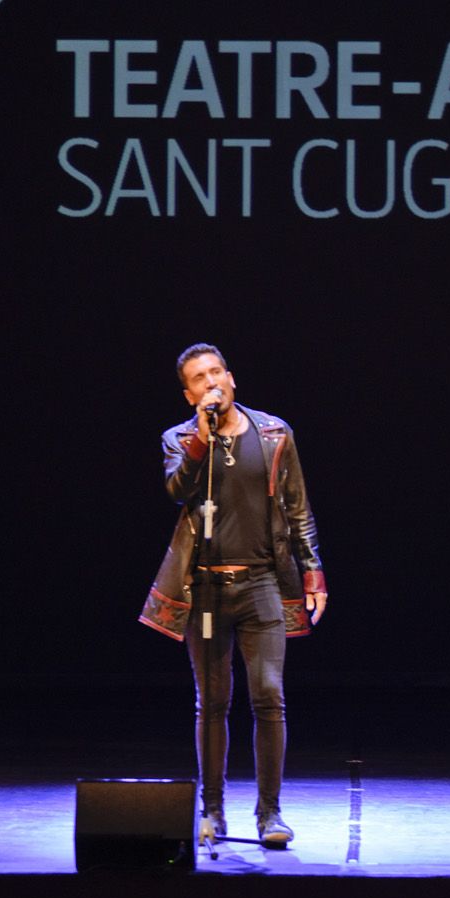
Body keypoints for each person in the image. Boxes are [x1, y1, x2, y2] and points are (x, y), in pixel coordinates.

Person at [140, 343, 327, 848]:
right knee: (213, 700)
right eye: (199, 378)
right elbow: (178, 490)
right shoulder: (179, 438)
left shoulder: (273, 433)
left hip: (262, 584)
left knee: (269, 695)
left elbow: (298, 506)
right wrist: (202, 438)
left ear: (232, 377)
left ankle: (270, 814)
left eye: (216, 371)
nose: (210, 382)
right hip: (204, 592)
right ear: (189, 393)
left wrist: (313, 572)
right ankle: (213, 811)